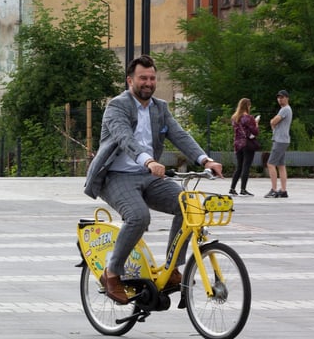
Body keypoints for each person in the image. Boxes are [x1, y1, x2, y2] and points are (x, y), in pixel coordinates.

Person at [84, 55, 223, 304]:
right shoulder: (117, 106)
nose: (148, 82)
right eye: (142, 78)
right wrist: (148, 160)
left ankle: (173, 269)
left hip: (149, 176)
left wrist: (205, 160)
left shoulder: (160, 107)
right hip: (117, 176)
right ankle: (112, 272)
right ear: (130, 80)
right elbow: (126, 139)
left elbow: (180, 135)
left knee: (189, 205)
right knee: (138, 216)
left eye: (152, 78)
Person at [265, 89, 293, 198]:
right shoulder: (286, 110)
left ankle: (274, 190)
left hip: (280, 140)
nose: (280, 99)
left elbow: (273, 122)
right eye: (278, 97)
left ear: (287, 98)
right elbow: (275, 123)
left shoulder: (284, 109)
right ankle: (283, 190)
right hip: (283, 140)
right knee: (281, 165)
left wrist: (273, 122)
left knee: (270, 164)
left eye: (282, 97)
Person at [229, 98, 260, 196]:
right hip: (247, 144)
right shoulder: (248, 118)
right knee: (246, 166)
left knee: (239, 167)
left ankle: (232, 188)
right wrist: (256, 123)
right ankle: (243, 189)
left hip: (237, 144)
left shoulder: (234, 117)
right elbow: (255, 132)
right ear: (247, 106)